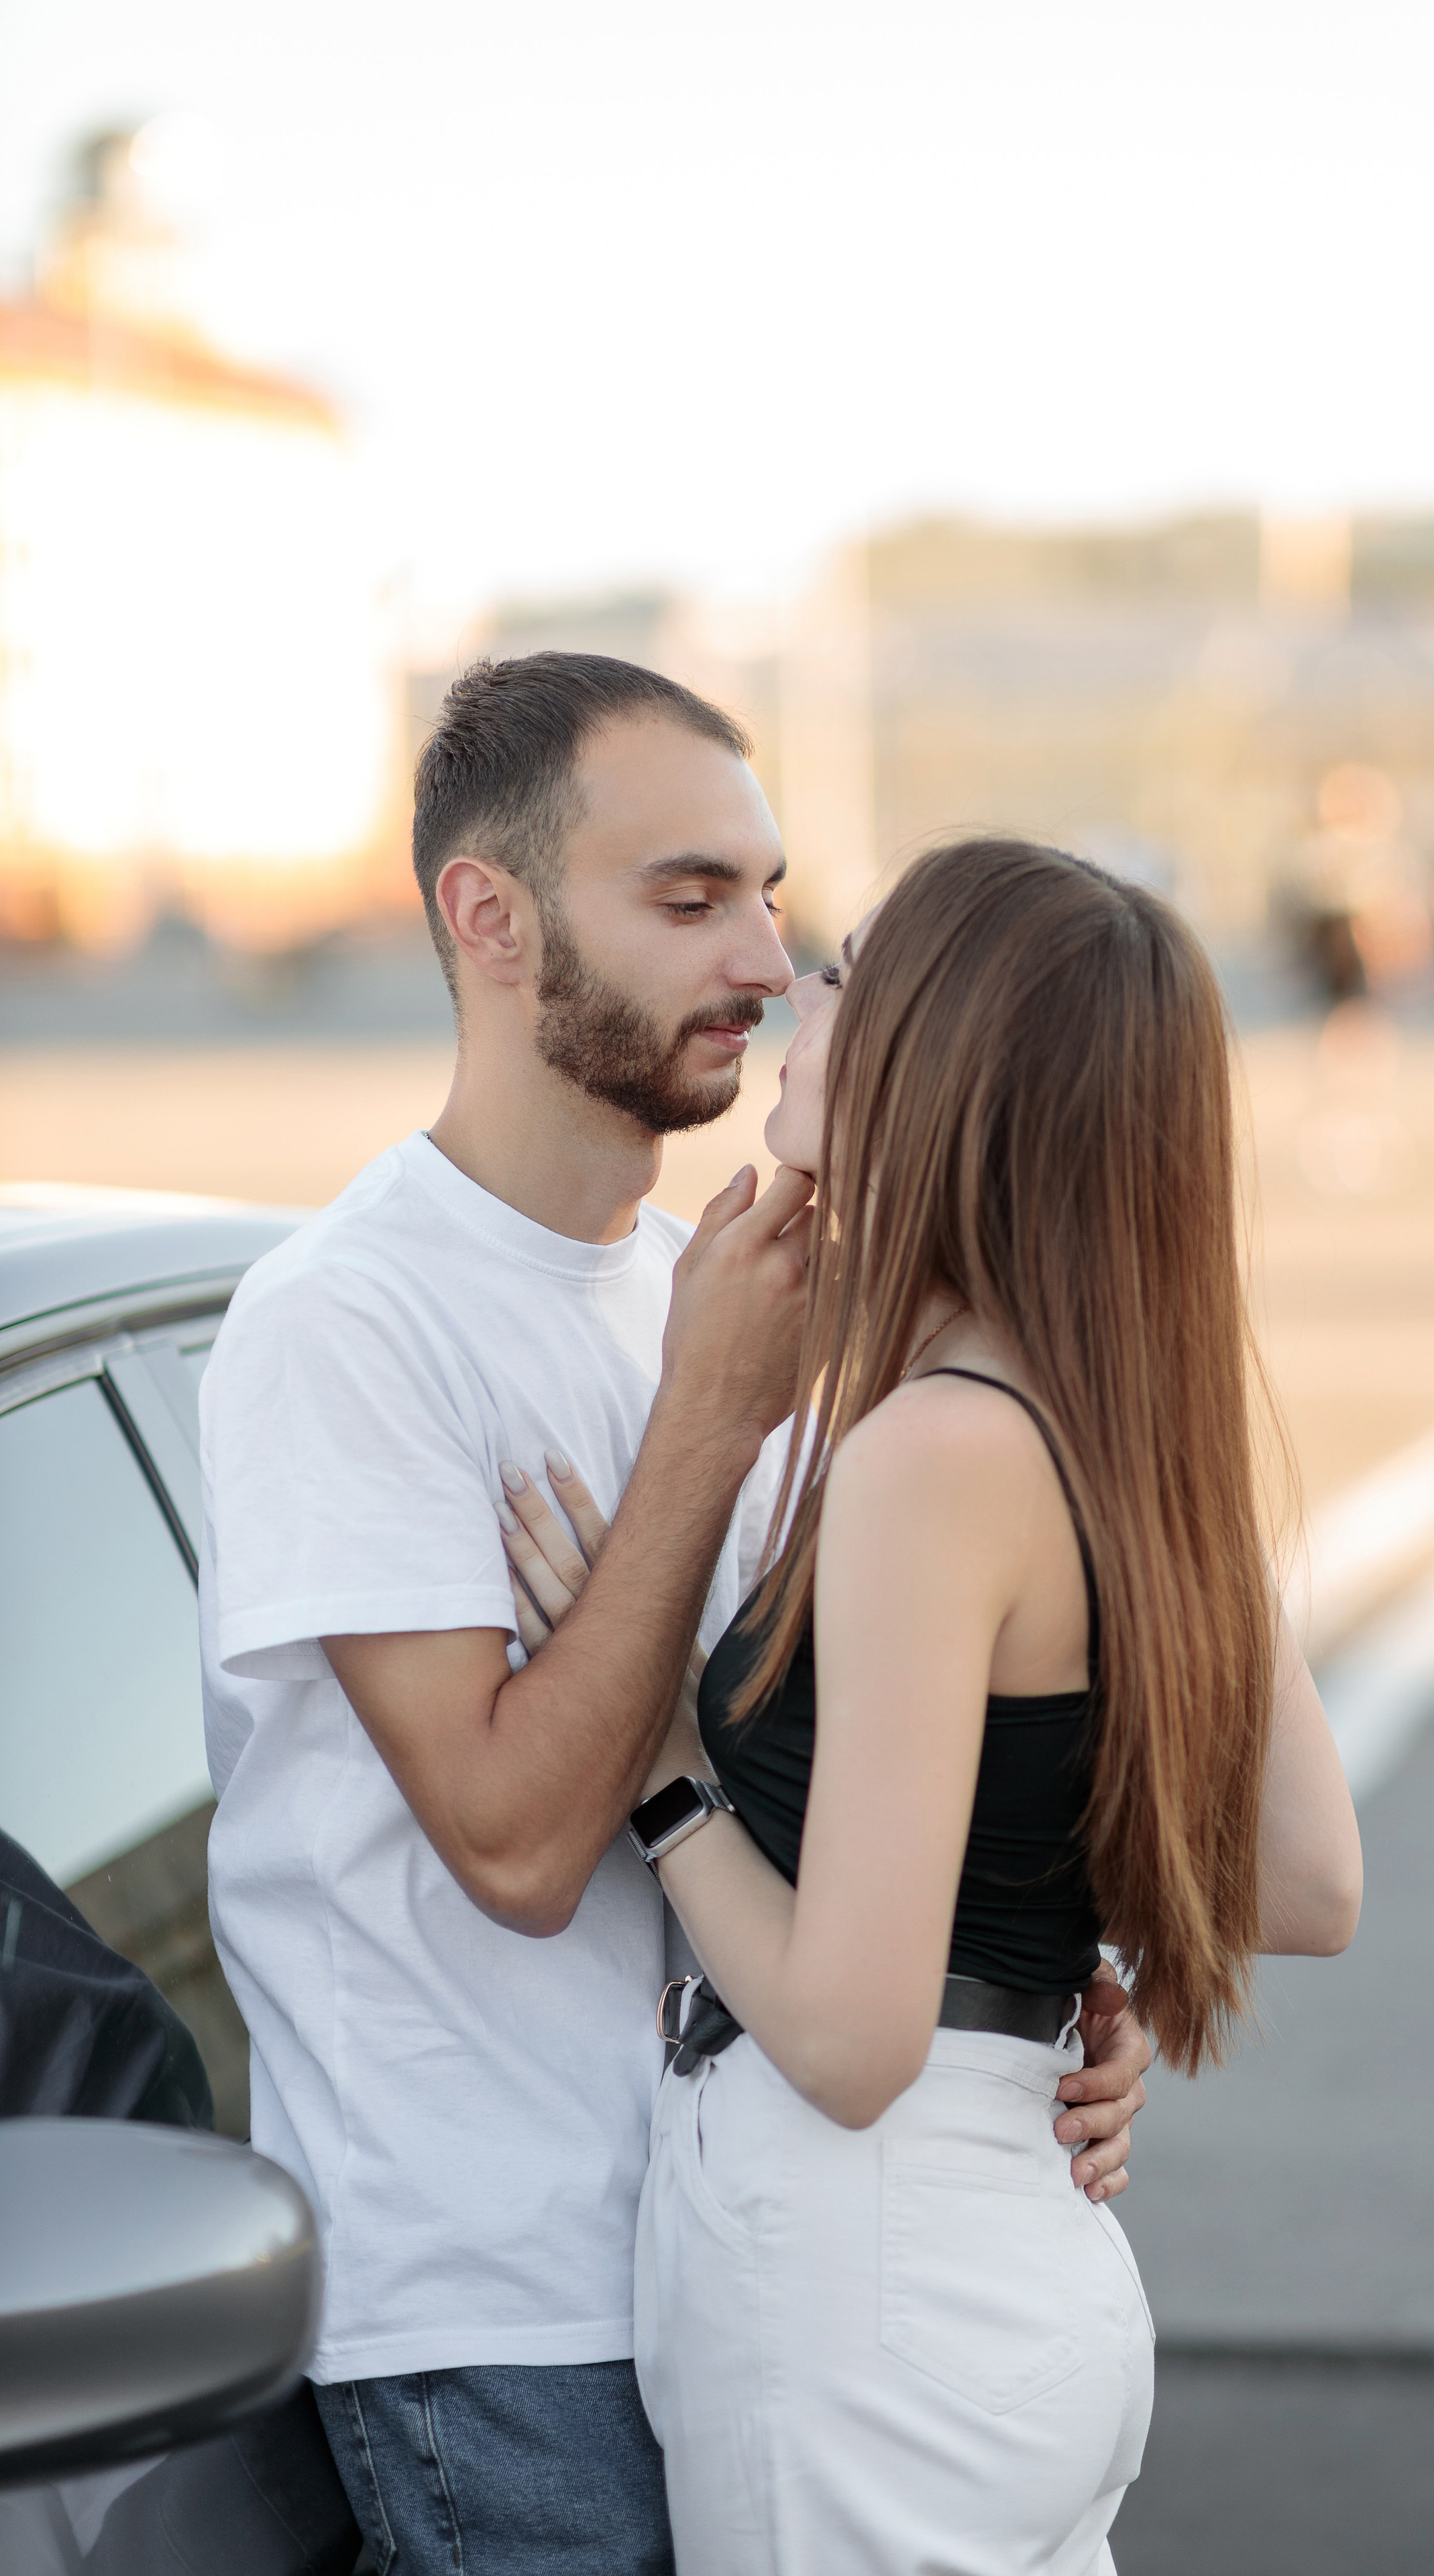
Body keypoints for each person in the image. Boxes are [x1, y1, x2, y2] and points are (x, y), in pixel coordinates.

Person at [197, 659, 1152, 2576]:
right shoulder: (346, 1324)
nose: (770, 962)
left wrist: (1033, 1988)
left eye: (774, 896)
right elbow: (523, 1841)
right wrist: (715, 1424)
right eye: (691, 897)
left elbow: (827, 1756)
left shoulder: (698, 1279)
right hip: (507, 2323)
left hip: (760, 2243)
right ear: (492, 919)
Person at [498, 838, 1364, 2573]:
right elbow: (1304, 1883)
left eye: (838, 976)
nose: (787, 1003)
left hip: (867, 2270)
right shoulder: (1122, 1417)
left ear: (941, 1063)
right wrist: (1033, 1945)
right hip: (1012, 2265)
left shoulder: (933, 1453)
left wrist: (662, 1767)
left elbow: (845, 2040)